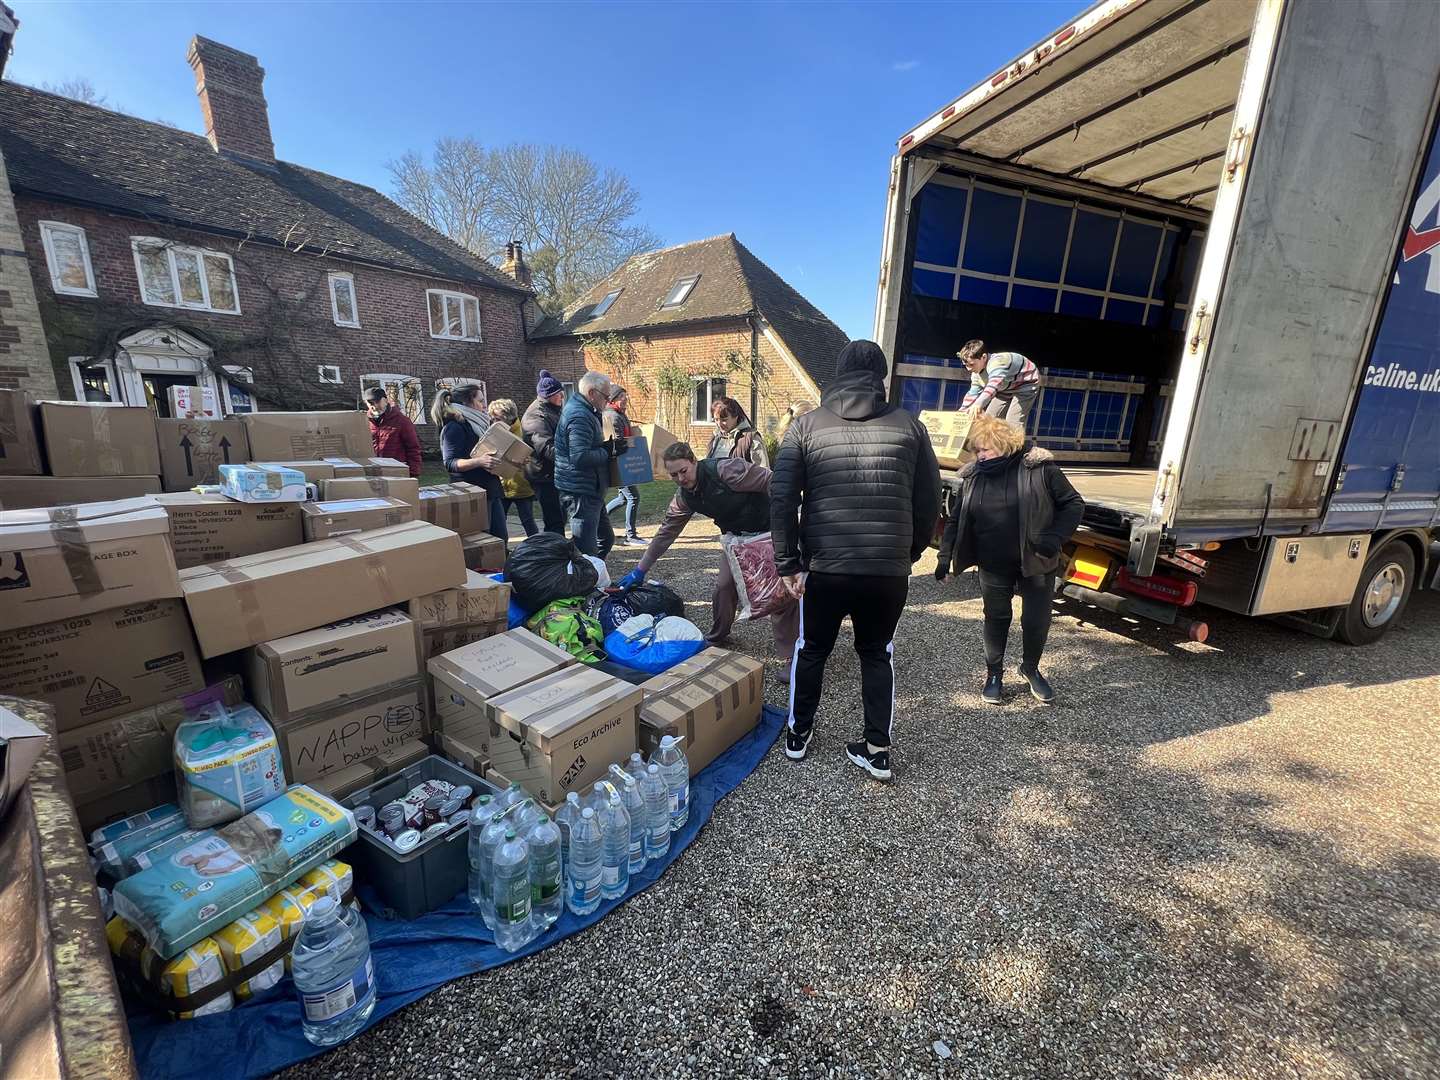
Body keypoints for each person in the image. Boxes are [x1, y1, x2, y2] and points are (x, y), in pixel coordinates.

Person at [770, 339, 940, 783]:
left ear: (837, 373)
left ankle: (798, 734)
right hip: (887, 569)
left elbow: (783, 498)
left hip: (826, 568)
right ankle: (877, 750)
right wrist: (910, 551)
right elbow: (928, 501)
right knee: (876, 653)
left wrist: (788, 563)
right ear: (880, 376)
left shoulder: (805, 426)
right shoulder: (910, 427)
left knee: (812, 649)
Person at [934, 412, 1084, 706]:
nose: (980, 456)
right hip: (993, 563)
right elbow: (956, 520)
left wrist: (1055, 538)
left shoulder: (1039, 468)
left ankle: (1030, 669)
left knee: (1036, 620)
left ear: (1005, 444)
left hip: (1037, 561)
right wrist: (944, 557)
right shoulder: (974, 474)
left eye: (986, 449)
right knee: (996, 618)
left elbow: (1073, 504)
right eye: (976, 450)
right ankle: (994, 675)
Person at [618, 442, 798, 671]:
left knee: (778, 595)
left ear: (694, 461)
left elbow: (772, 481)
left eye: (684, 471)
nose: (681, 479)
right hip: (736, 539)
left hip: (768, 531)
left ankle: (792, 657)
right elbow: (665, 533)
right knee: (723, 586)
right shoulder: (685, 497)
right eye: (674, 475)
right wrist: (640, 570)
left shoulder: (726, 471)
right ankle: (717, 636)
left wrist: (785, 520)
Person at [555, 371, 624, 559]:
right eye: (606, 396)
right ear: (592, 393)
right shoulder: (579, 416)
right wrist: (607, 451)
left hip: (590, 489)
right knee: (585, 548)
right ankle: (582, 581)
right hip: (580, 491)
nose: (608, 401)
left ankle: (590, 575)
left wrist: (606, 447)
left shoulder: (585, 411)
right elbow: (579, 457)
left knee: (606, 539)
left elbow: (585, 447)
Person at [430, 383, 508, 549]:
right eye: (480, 401)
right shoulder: (454, 427)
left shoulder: (480, 423)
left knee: (501, 539)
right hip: (472, 494)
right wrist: (479, 461)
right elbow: (450, 463)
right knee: (485, 544)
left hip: (490, 489)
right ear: (467, 403)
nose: (484, 405)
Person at [522, 371, 567, 535]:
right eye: (559, 394)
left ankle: (557, 548)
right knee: (554, 520)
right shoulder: (536, 416)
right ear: (549, 395)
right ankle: (554, 554)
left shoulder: (552, 409)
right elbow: (546, 446)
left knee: (560, 516)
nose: (562, 396)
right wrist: (571, 458)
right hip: (543, 475)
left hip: (553, 472)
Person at [958, 340, 1042, 426]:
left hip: (1026, 383)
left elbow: (992, 387)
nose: (968, 369)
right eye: (966, 365)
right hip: (1006, 386)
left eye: (972, 364)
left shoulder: (997, 363)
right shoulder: (976, 374)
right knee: (988, 420)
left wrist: (978, 404)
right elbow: (972, 394)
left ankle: (1013, 439)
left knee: (1012, 422)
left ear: (983, 357)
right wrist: (960, 414)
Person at [489, 398, 538, 538]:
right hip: (502, 484)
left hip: (521, 485)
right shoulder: (496, 431)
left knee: (528, 520)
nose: (493, 421)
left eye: (497, 418)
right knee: (499, 521)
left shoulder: (523, 432)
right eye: (492, 418)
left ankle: (537, 547)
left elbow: (530, 456)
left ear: (508, 417)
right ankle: (500, 548)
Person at [603, 385, 645, 547]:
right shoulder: (612, 416)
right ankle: (631, 535)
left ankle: (601, 521)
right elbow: (618, 442)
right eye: (622, 397)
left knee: (623, 498)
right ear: (614, 399)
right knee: (633, 497)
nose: (626, 399)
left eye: (626, 396)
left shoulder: (619, 414)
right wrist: (635, 445)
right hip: (620, 464)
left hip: (623, 462)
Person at [365, 387, 422, 478]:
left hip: (398, 473)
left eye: (376, 402)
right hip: (374, 473)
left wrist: (413, 473)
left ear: (385, 400)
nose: (373, 406)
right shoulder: (365, 422)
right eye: (369, 403)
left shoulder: (402, 421)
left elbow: (413, 448)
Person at [707, 396, 769, 467]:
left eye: (724, 420)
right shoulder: (715, 438)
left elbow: (764, 472)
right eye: (716, 419)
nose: (719, 424)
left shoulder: (751, 439)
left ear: (736, 417)